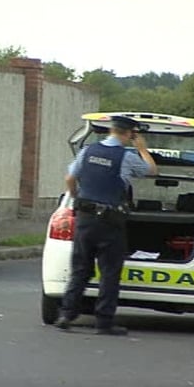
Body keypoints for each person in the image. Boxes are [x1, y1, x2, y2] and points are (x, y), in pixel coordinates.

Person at [56, 116, 158, 335]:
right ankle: (104, 322)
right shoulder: (126, 156)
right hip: (110, 222)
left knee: (80, 269)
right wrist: (143, 149)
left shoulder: (88, 150)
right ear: (130, 134)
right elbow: (152, 170)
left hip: (85, 218)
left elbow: (69, 179)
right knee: (110, 272)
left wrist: (77, 199)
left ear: (111, 129)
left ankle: (66, 315)